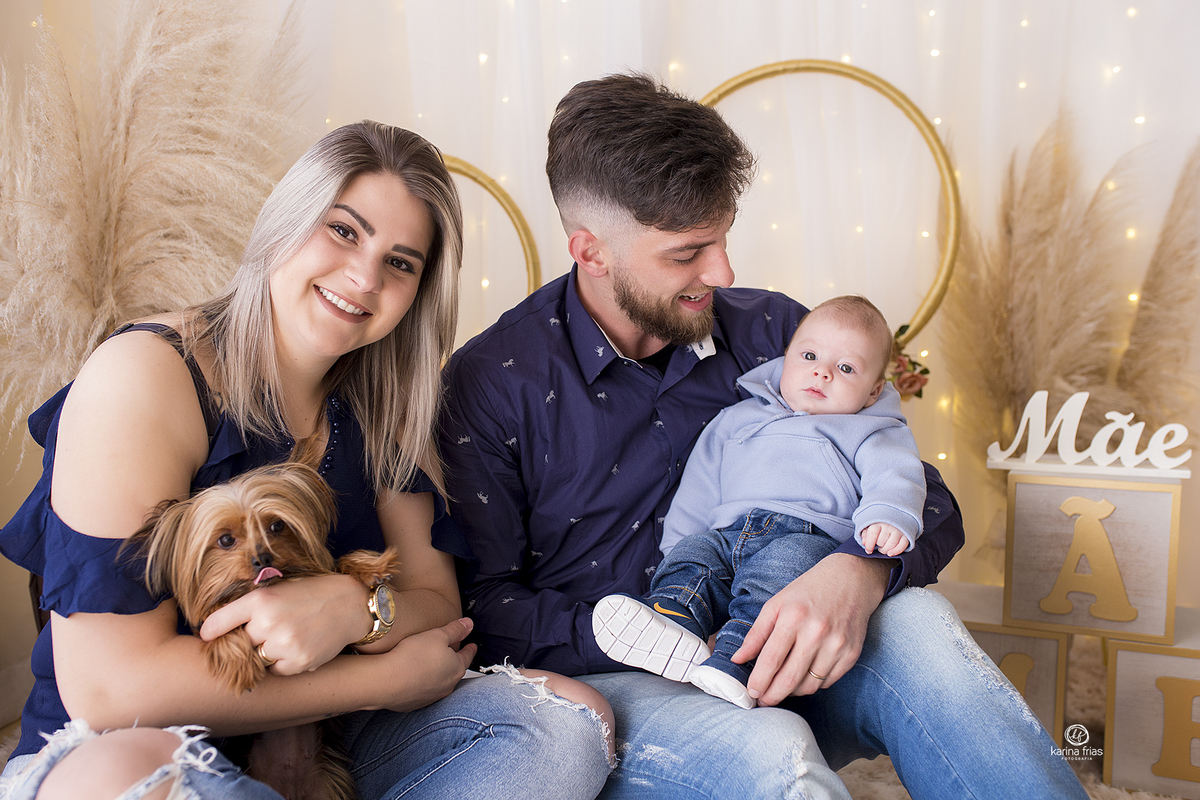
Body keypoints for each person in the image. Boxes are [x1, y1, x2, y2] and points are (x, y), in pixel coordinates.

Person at [439, 74, 1089, 799]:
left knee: (923, 626)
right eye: (688, 253)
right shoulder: (492, 383)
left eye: (723, 238)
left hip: (797, 652)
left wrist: (857, 574)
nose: (722, 271)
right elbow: (480, 607)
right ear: (591, 252)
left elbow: (925, 496)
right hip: (628, 693)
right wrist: (636, 638)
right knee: (769, 753)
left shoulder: (776, 334)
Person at [0, 121, 613, 800]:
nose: (363, 276)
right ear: (284, 225)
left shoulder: (382, 406)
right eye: (344, 231)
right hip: (138, 744)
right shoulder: (144, 375)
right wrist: (381, 677)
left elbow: (437, 606)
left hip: (330, 748)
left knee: (566, 722)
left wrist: (355, 608)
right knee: (133, 779)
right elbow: (112, 690)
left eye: (401, 262)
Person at [593, 295, 927, 710]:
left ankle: (737, 662)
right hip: (728, 531)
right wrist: (677, 547)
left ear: (874, 390)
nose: (822, 372)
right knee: (696, 557)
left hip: (808, 537)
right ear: (786, 359)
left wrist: (889, 517)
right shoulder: (737, 418)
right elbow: (699, 487)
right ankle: (672, 617)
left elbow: (896, 475)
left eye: (845, 368)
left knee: (775, 581)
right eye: (809, 356)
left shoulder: (871, 430)